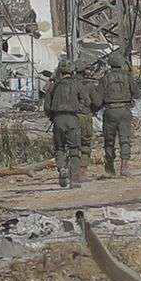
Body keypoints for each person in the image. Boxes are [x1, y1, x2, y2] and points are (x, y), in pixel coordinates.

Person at [43, 59, 90, 188]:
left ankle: (62, 168)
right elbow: (86, 100)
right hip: (72, 119)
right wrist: (79, 108)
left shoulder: (54, 86)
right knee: (74, 149)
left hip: (58, 119)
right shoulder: (77, 84)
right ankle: (74, 179)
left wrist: (53, 117)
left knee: (59, 148)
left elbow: (47, 106)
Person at [99, 50, 141, 176]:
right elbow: (137, 93)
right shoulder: (127, 76)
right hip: (124, 110)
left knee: (109, 140)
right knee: (125, 139)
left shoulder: (104, 78)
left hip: (110, 111)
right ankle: (124, 166)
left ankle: (110, 167)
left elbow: (98, 97)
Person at [77, 61, 102, 170]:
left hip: (68, 118)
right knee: (85, 143)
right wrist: (91, 110)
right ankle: (82, 169)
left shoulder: (64, 83)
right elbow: (97, 102)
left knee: (69, 144)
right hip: (84, 116)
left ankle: (68, 168)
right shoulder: (88, 85)